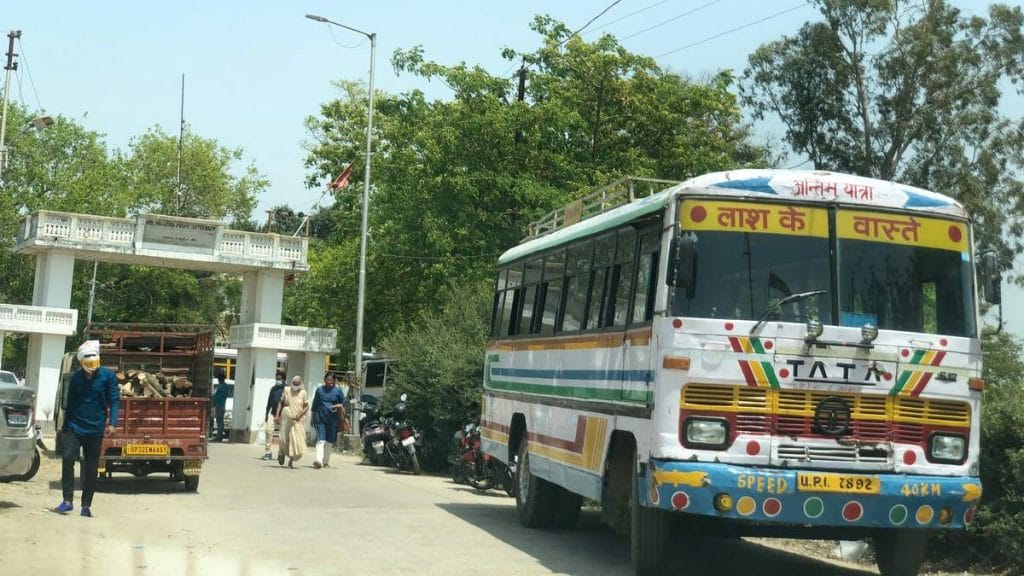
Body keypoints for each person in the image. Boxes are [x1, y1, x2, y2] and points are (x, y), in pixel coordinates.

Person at [55, 340, 119, 518]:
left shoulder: (108, 377)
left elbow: (114, 401)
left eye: (94, 365)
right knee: (67, 458)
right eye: (88, 365)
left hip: (96, 429)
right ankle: (67, 501)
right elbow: (70, 403)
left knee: (91, 468)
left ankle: (86, 505)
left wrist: (113, 423)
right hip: (75, 426)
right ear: (82, 363)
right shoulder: (75, 378)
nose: (91, 369)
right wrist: (65, 427)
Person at [311, 374, 346, 469]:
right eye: (327, 380)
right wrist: (312, 418)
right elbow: (314, 405)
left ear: (333, 381)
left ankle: (325, 461)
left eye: (331, 380)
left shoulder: (338, 391)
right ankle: (318, 460)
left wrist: (337, 406)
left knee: (330, 441)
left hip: (333, 420)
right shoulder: (319, 390)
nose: (329, 382)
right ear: (324, 380)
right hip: (320, 418)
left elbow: (344, 403)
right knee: (320, 439)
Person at [276, 375, 308, 468]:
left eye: (297, 384)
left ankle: (291, 460)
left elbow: (306, 406)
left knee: (295, 440)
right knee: (283, 438)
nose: (295, 386)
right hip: (286, 417)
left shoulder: (303, 393)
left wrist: (300, 414)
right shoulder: (287, 390)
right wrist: (277, 415)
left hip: (297, 420)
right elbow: (280, 402)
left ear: (301, 384)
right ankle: (281, 453)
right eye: (294, 384)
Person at [260, 371, 286, 460]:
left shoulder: (287, 389)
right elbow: (269, 402)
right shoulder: (273, 389)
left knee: (282, 435)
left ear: (283, 379)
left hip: (283, 414)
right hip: (273, 413)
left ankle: (281, 453)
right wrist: (266, 414)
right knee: (268, 431)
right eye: (276, 378)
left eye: (279, 378)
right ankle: (268, 452)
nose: (277, 380)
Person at [211, 374, 230, 441]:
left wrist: (213, 403)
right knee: (220, 421)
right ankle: (219, 436)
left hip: (219, 405)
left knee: (219, 422)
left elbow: (216, 397)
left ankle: (219, 437)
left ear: (220, 379)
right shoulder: (226, 386)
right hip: (222, 405)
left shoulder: (221, 387)